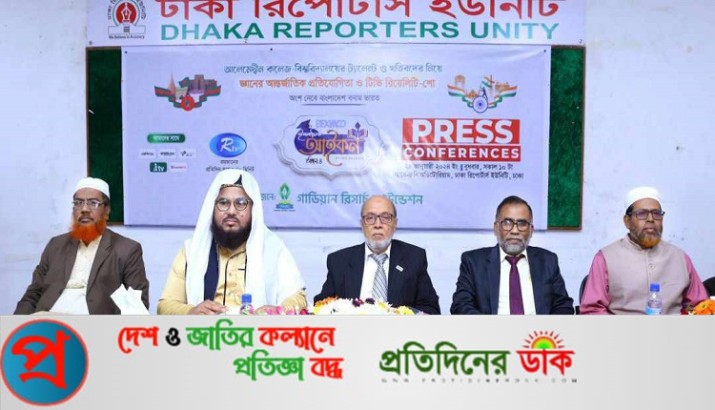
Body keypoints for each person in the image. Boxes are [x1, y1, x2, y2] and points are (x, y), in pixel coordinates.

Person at [158, 169, 306, 314]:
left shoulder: (273, 248)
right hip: (205, 329)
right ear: (212, 207)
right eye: (223, 203)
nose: (231, 211)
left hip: (258, 328)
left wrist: (277, 311)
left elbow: (298, 298)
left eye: (241, 203)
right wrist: (191, 311)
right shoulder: (192, 251)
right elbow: (165, 306)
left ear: (253, 209)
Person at [15, 177, 149, 314]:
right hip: (47, 321)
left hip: (93, 324)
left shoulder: (126, 249)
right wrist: (16, 323)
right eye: (78, 203)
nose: (84, 209)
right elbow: (33, 294)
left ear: (107, 210)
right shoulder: (56, 245)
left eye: (93, 203)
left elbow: (138, 305)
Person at [580, 186, 708, 314]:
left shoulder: (680, 257)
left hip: (674, 327)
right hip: (622, 327)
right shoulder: (606, 258)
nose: (651, 219)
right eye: (642, 213)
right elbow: (592, 310)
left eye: (656, 213)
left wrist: (686, 317)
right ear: (627, 221)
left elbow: (699, 306)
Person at [314, 195, 441, 314]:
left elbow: (430, 309)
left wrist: (401, 316)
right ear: (362, 224)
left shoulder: (414, 258)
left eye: (385, 217)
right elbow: (322, 306)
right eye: (370, 218)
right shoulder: (339, 261)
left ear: (395, 224)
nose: (378, 225)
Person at [451, 195, 574, 315]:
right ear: (496, 228)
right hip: (491, 328)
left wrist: (546, 327)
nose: (515, 231)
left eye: (522, 223)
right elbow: (461, 305)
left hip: (537, 329)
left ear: (531, 230)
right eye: (507, 223)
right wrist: (490, 326)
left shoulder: (547, 261)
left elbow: (563, 306)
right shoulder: (473, 262)